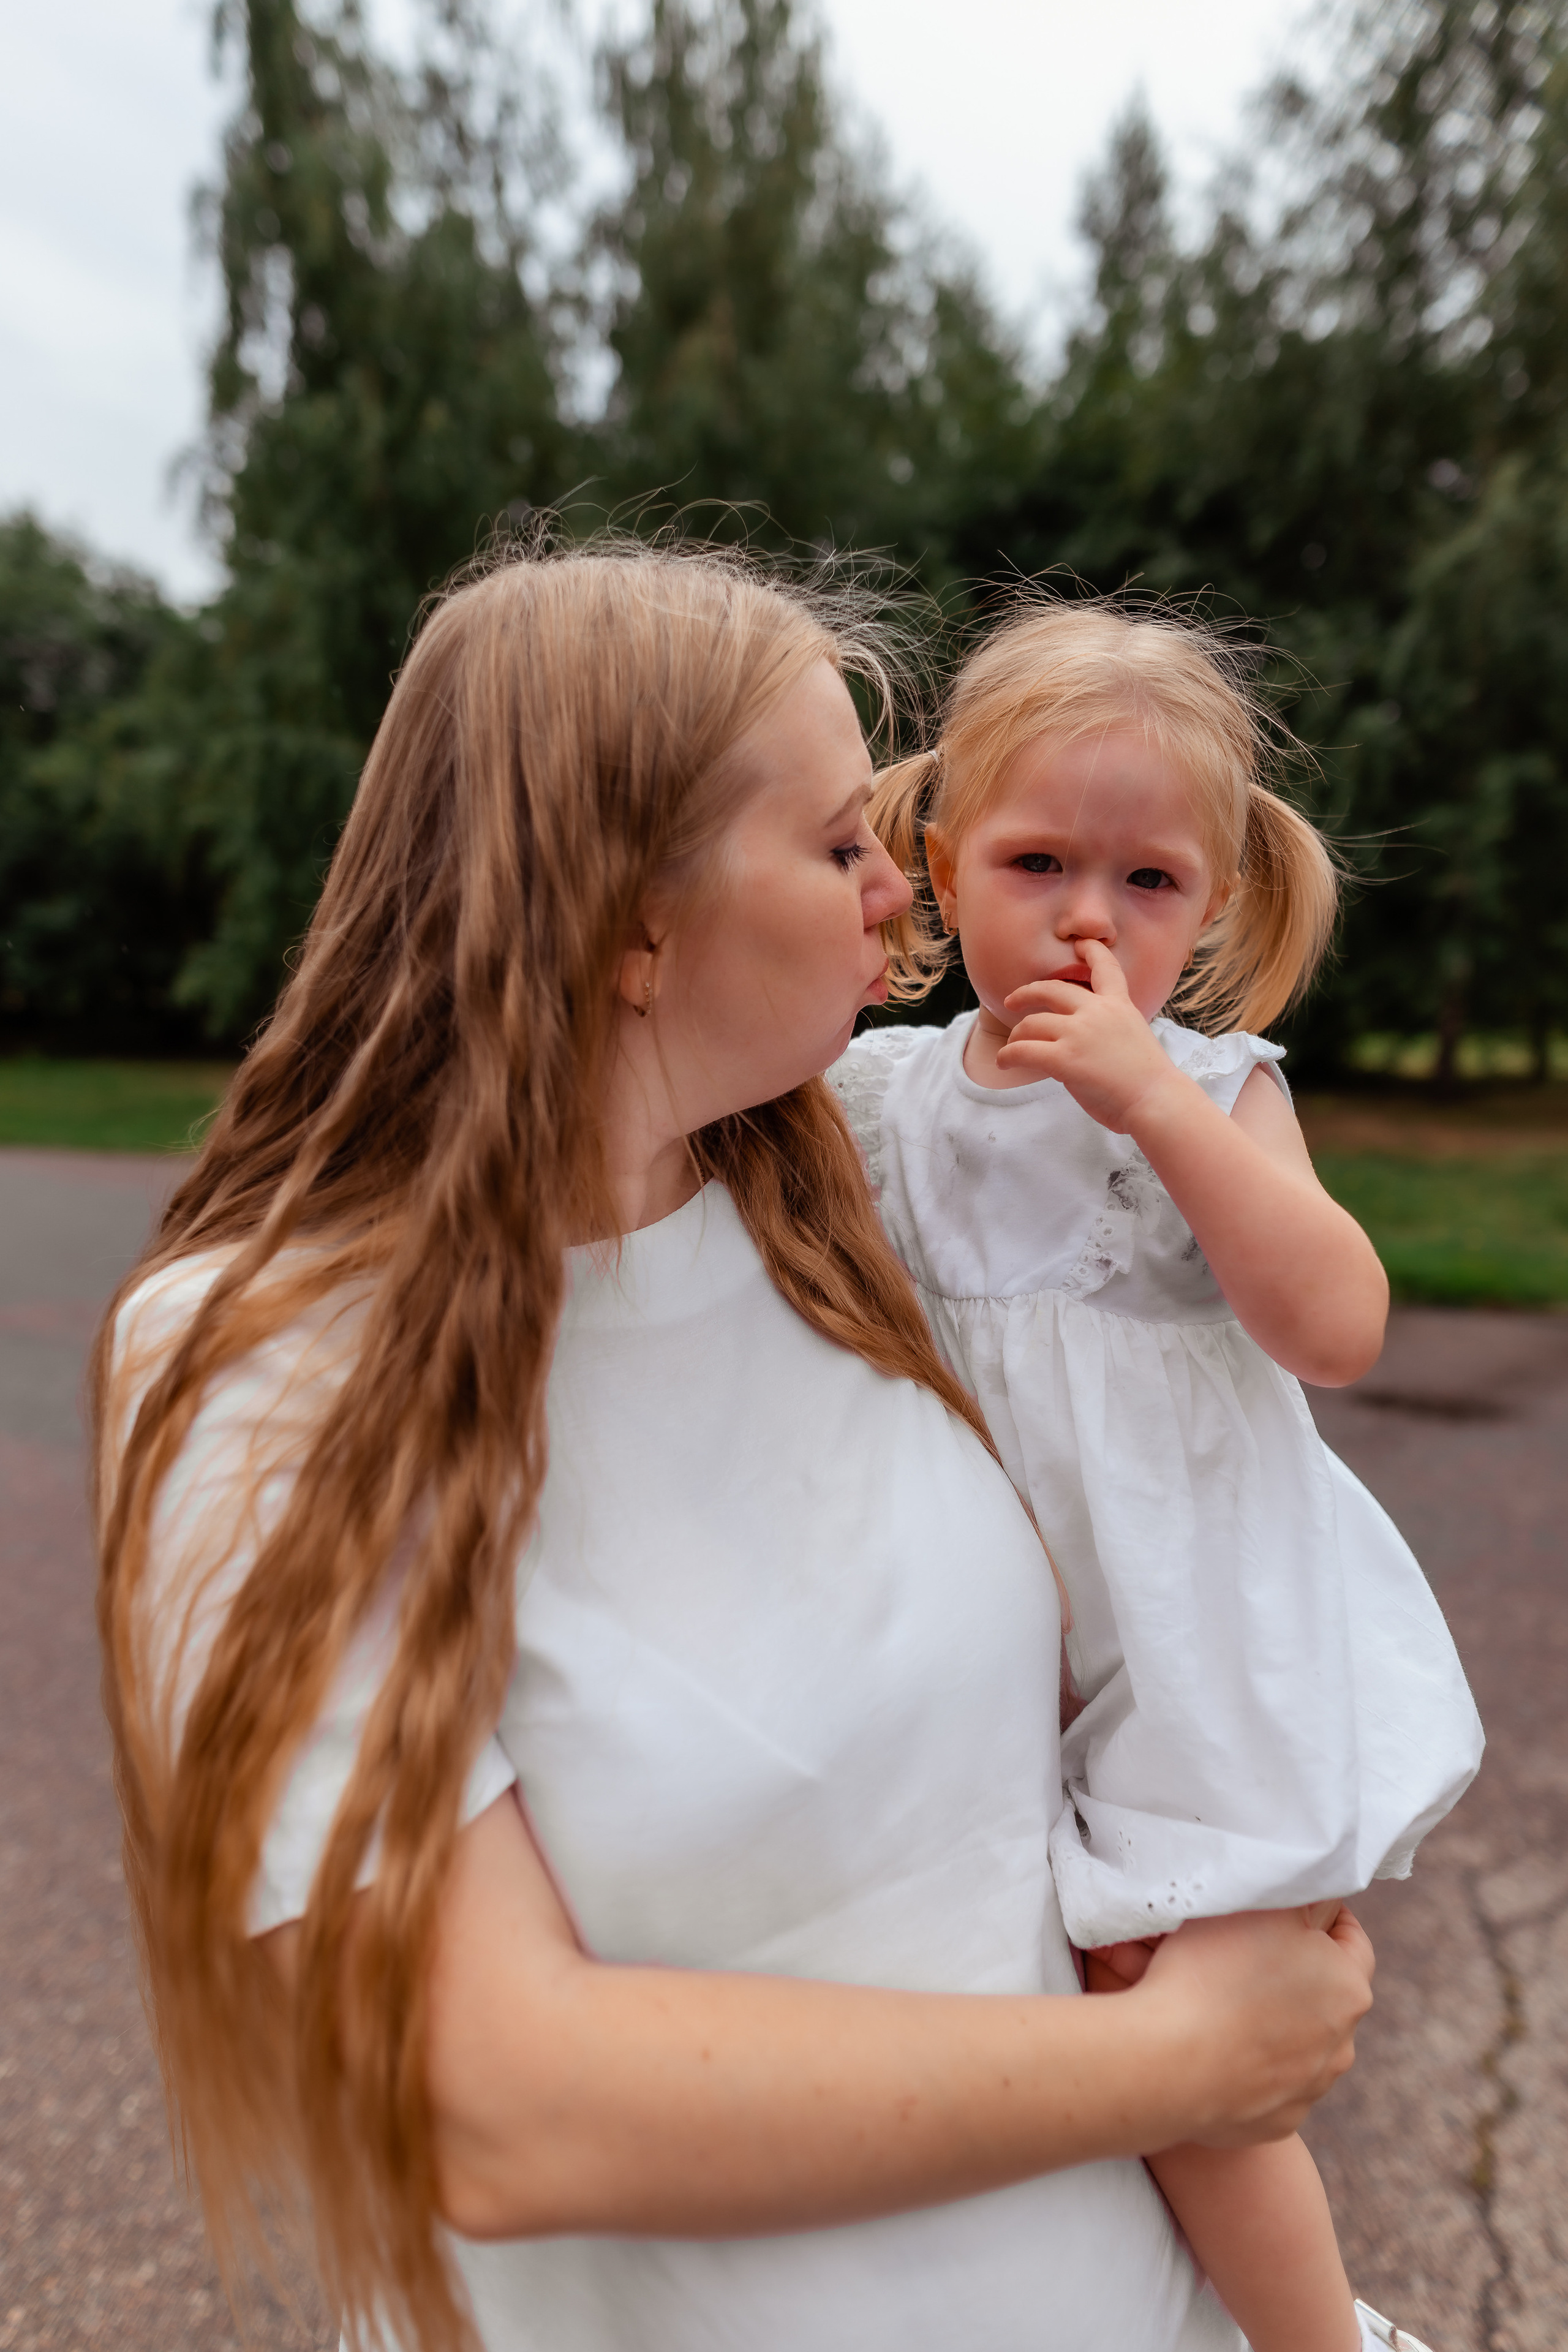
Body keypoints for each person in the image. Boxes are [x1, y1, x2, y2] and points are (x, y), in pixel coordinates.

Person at [94, 543, 1376, 2352]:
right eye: (848, 843)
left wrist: (1238, 1883)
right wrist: (1181, 2059)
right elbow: (494, 2108)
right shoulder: (273, 1366)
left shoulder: (845, 1208)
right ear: (629, 920)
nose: (894, 899)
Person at [827, 597, 1483, 2352]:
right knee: (1014, 2007)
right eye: (1041, 863)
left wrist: (1162, 1114)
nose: (1089, 922)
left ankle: (1312, 2346)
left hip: (1191, 1646)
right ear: (944, 867)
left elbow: (1337, 1323)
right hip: (974, 1642)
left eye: (1150, 884)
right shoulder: (881, 1098)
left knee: (1186, 2048)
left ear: (1216, 907)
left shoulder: (1211, 1084)